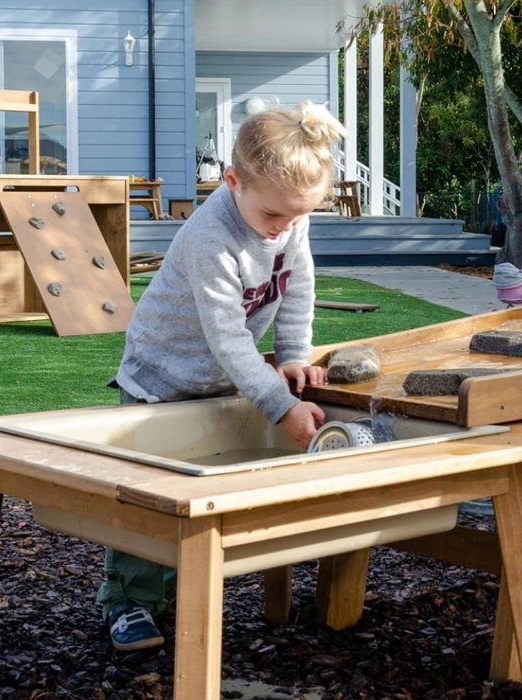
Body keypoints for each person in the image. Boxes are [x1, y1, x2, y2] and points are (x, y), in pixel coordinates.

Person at [100, 101, 346, 651]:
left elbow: (297, 288)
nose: (284, 228)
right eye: (273, 218)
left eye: (297, 217)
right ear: (232, 181)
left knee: (203, 485)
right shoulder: (211, 235)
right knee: (149, 495)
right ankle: (129, 602)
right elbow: (227, 335)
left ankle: (178, 584)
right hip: (162, 379)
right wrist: (279, 405)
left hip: (219, 377)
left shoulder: (288, 219)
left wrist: (293, 356)